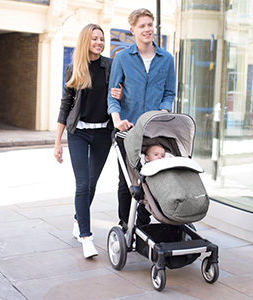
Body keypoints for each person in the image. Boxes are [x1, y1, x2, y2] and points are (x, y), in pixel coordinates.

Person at [54, 24, 122, 258]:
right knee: (82, 184)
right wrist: (57, 142)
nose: (99, 43)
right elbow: (65, 105)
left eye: (101, 39)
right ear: (86, 41)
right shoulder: (74, 69)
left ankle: (77, 219)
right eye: (94, 39)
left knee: (92, 185)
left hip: (103, 133)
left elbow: (120, 92)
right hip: (79, 133)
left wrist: (120, 94)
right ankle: (86, 237)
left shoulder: (110, 66)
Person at [107, 8, 176, 228]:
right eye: (142, 26)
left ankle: (143, 226)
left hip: (154, 131)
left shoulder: (166, 59)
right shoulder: (123, 58)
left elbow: (169, 93)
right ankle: (125, 224)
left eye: (150, 25)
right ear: (132, 30)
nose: (147, 30)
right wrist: (117, 120)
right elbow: (113, 96)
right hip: (127, 129)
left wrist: (163, 114)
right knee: (126, 181)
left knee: (150, 177)